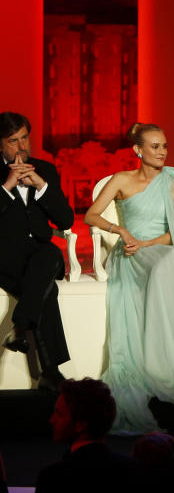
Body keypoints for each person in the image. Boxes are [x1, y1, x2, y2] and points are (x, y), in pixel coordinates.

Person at [84, 123, 174, 434]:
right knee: (166, 266)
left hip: (161, 248)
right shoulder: (121, 180)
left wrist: (144, 244)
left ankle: (168, 365)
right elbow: (92, 214)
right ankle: (151, 365)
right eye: (155, 146)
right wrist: (119, 231)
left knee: (170, 261)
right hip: (128, 254)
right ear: (138, 150)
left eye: (165, 146)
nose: (162, 152)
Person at [21, 378, 144, 493]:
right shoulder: (133, 470)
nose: (51, 420)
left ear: (80, 424)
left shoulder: (54, 477)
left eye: (59, 414)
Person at [0, 111, 74, 391]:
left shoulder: (45, 169)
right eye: (12, 141)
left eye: (24, 138)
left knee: (49, 254)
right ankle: (50, 372)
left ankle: (20, 327)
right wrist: (7, 186)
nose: (21, 147)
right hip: (7, 258)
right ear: (0, 145)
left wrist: (41, 186)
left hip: (41, 255)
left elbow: (65, 220)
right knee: (46, 288)